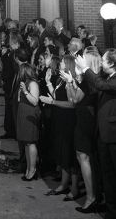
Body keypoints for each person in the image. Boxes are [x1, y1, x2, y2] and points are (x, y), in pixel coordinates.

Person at [76, 50, 116, 219]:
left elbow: (99, 85)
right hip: (102, 132)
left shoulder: (113, 80)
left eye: (104, 61)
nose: (100, 63)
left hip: (112, 133)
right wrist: (79, 79)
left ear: (112, 63)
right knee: (107, 174)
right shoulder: (106, 78)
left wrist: (86, 69)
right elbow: (93, 90)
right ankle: (110, 209)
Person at [61, 49, 100, 213]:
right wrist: (71, 83)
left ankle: (91, 198)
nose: (78, 64)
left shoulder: (89, 82)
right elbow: (72, 99)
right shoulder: (88, 80)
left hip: (86, 121)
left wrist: (71, 81)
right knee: (82, 156)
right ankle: (92, 196)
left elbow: (75, 100)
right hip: (83, 118)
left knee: (83, 156)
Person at [41, 55, 79, 201]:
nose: (60, 63)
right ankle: (64, 184)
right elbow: (56, 96)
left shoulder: (71, 81)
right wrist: (48, 82)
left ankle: (74, 188)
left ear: (68, 64)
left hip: (68, 120)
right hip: (59, 118)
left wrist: (53, 102)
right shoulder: (61, 79)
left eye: (62, 61)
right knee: (62, 152)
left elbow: (71, 104)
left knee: (69, 153)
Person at [15, 63, 40, 181]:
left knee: (30, 142)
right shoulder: (24, 83)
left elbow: (35, 101)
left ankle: (33, 170)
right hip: (23, 113)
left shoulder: (33, 83)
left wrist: (25, 91)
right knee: (26, 142)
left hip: (30, 114)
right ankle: (28, 169)